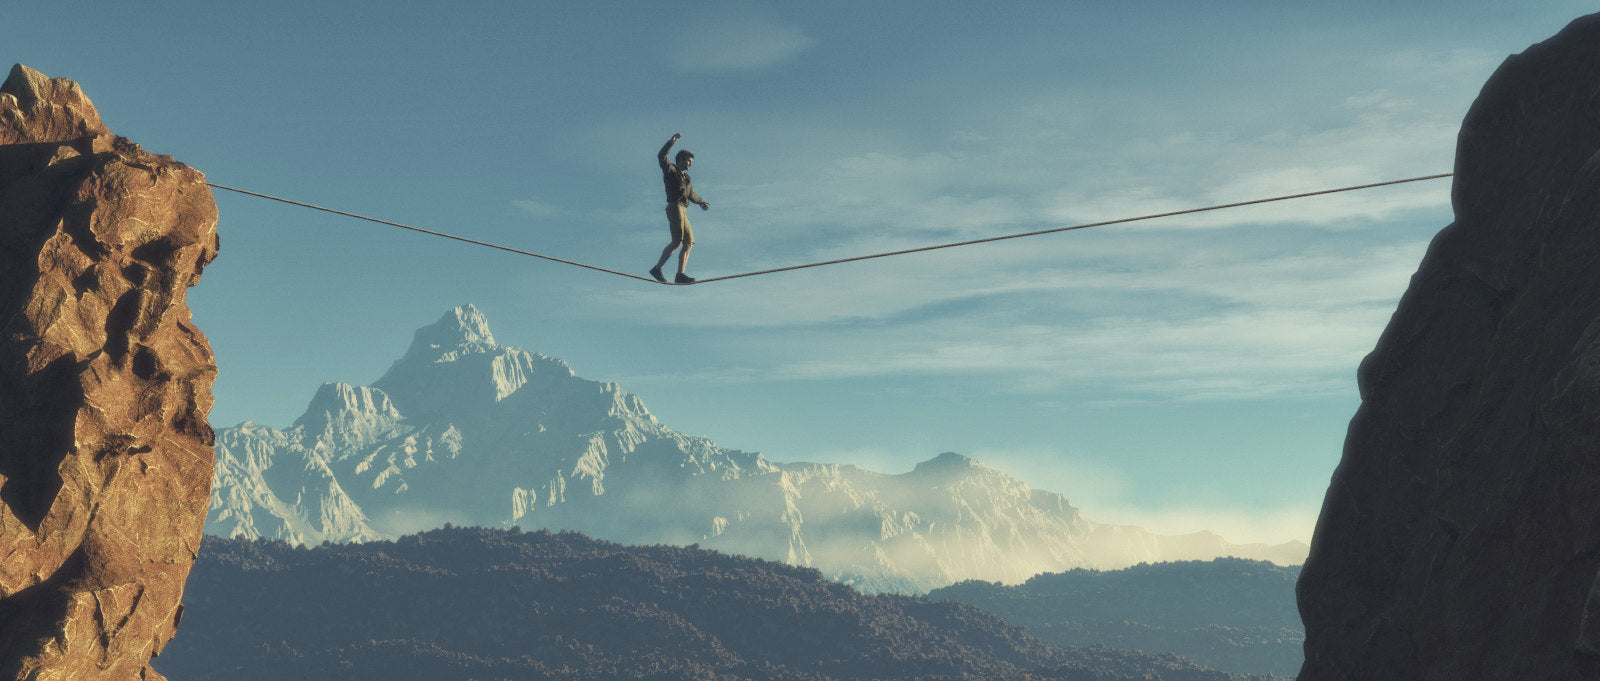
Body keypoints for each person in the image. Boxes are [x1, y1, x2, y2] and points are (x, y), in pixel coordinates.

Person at [650, 133, 709, 284]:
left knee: (689, 242)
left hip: (684, 209)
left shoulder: (687, 179)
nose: (690, 164)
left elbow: (691, 194)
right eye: (688, 161)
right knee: (677, 241)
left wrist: (701, 202)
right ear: (680, 160)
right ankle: (657, 268)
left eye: (691, 162)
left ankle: (680, 275)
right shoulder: (671, 170)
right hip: (674, 207)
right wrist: (671, 142)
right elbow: (661, 156)